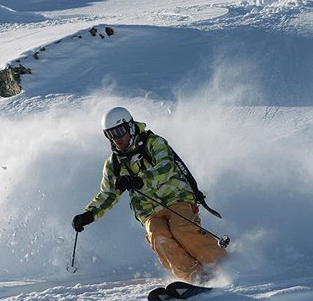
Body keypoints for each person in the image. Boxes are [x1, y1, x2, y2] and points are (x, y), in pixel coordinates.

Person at [72, 107, 226, 284]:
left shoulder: (153, 143)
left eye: (119, 131)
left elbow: (166, 167)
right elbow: (108, 193)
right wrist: (89, 214)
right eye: (110, 134)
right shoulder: (114, 163)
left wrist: (138, 180)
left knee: (181, 228)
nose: (117, 138)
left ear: (129, 126)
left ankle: (219, 262)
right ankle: (196, 277)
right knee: (157, 236)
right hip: (149, 210)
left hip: (176, 198)